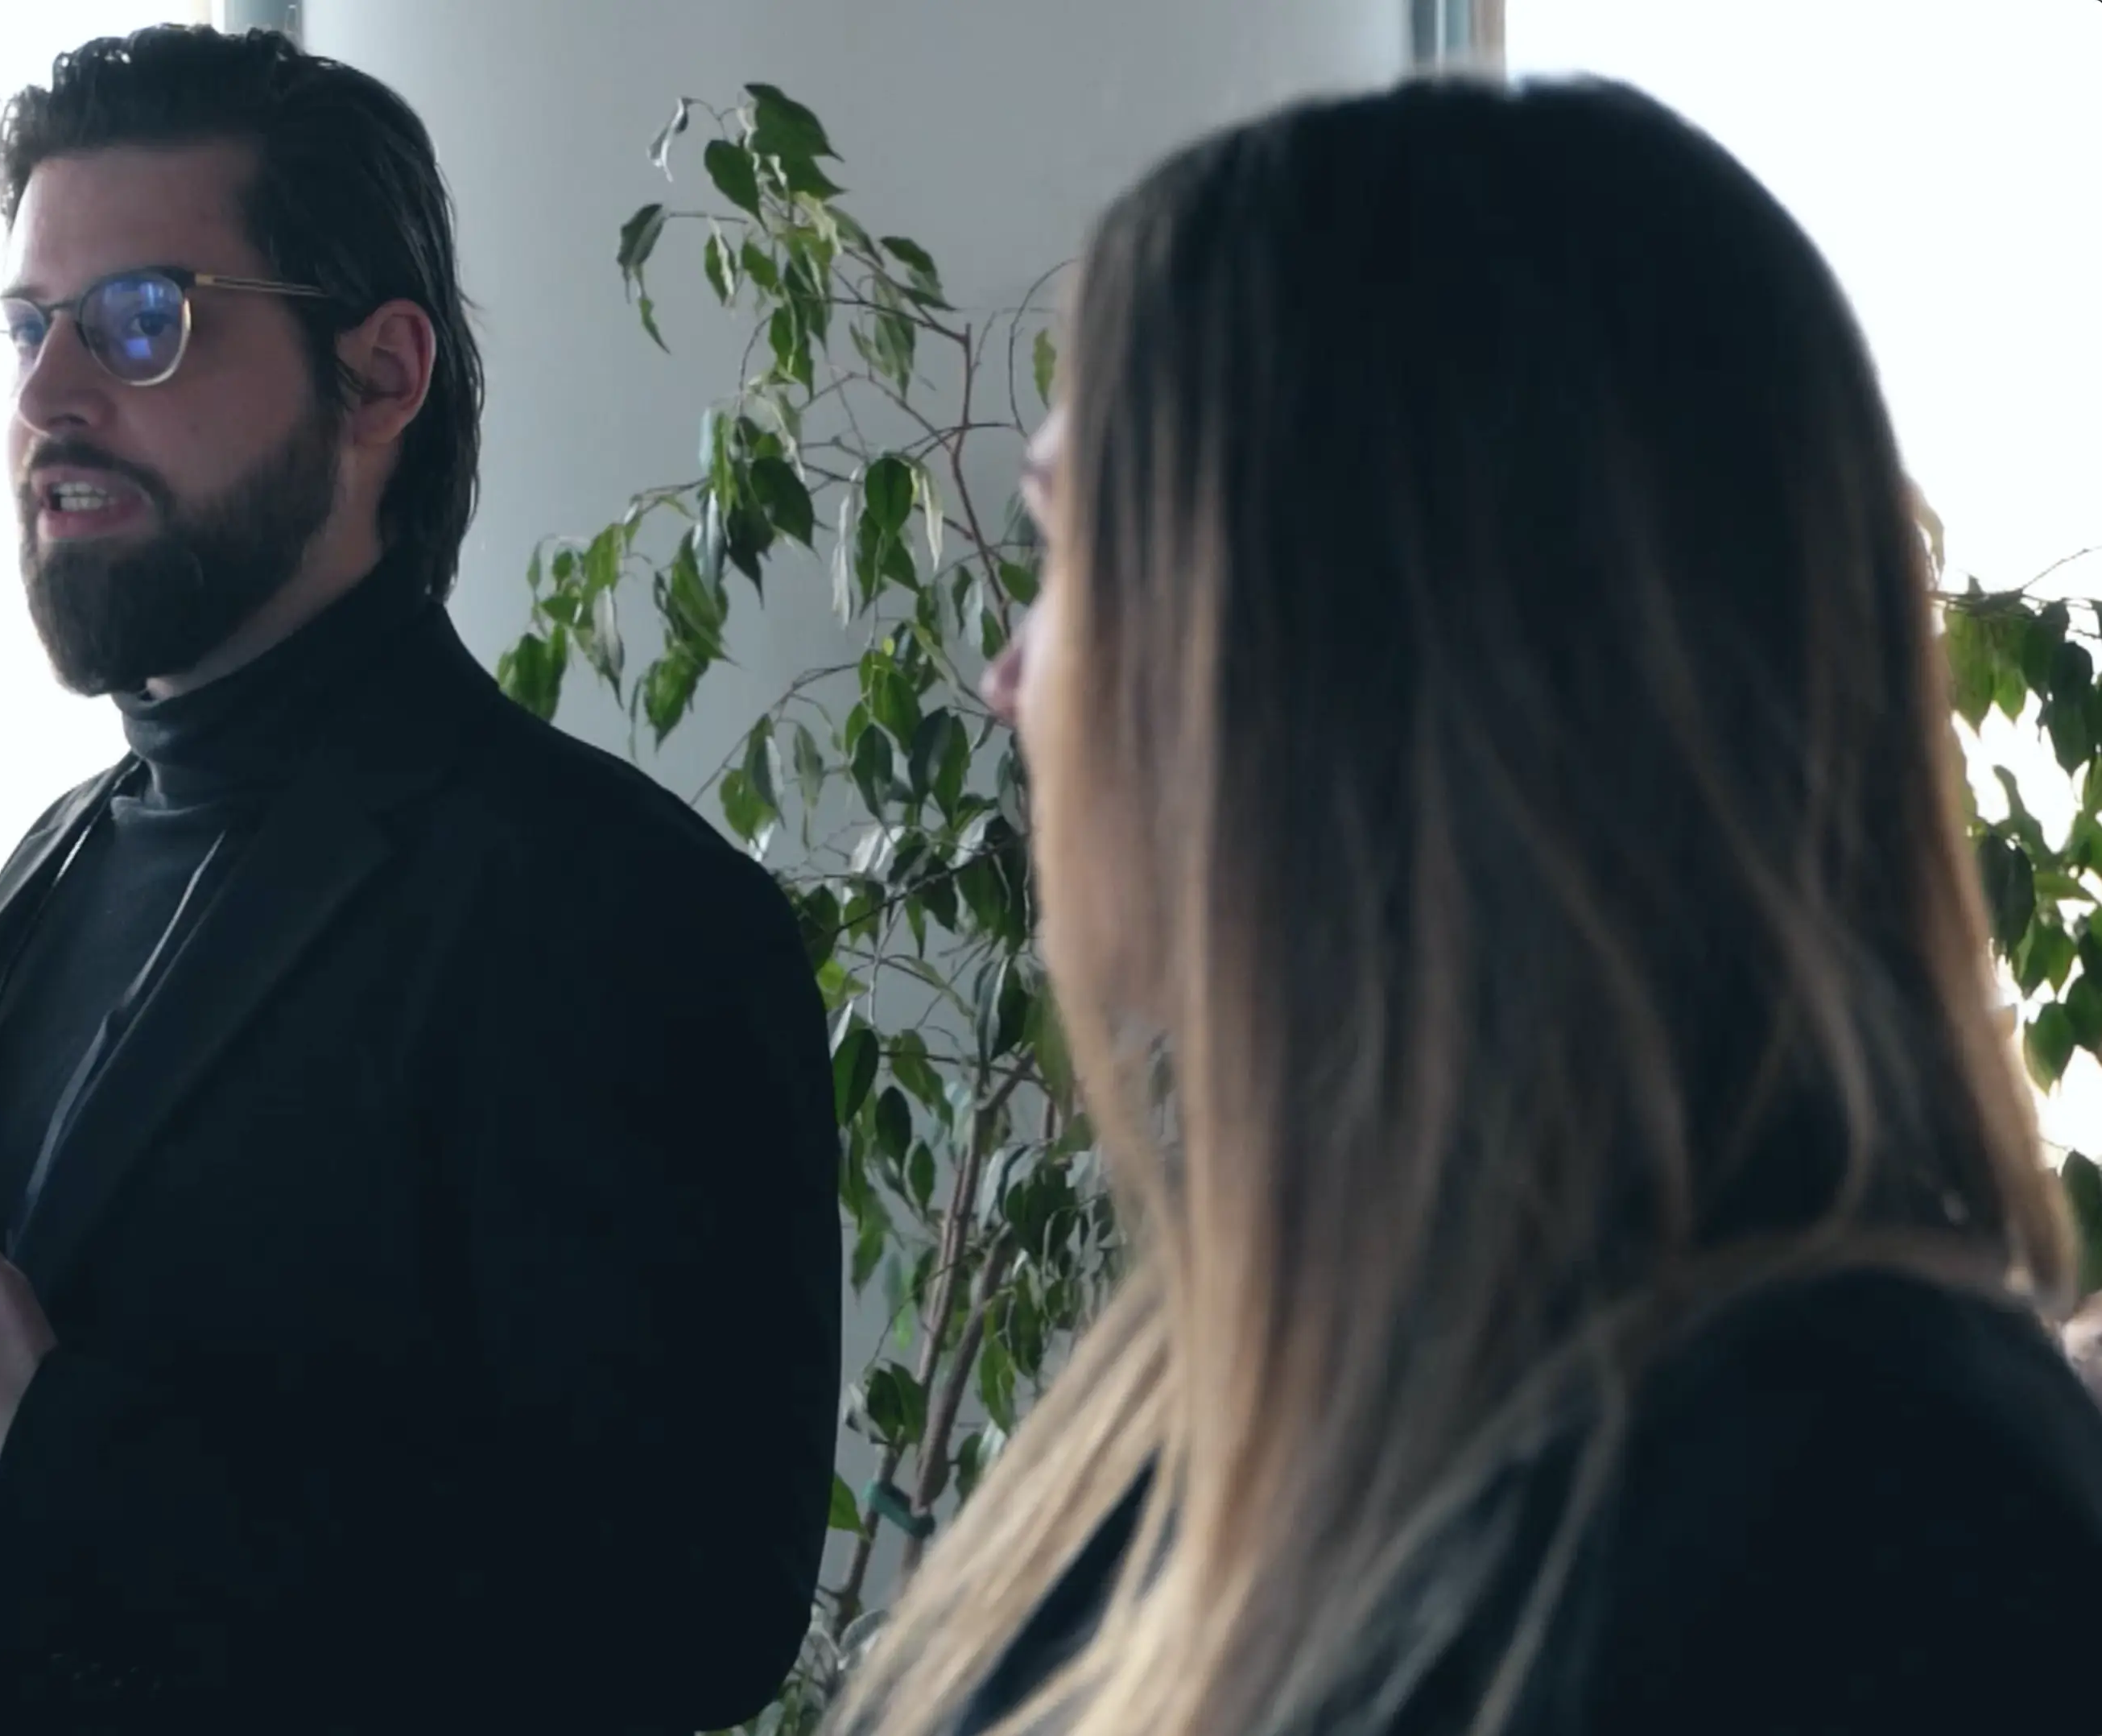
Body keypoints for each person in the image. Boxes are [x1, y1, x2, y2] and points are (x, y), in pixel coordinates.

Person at [0, 27, 843, 1735]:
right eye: (28, 327)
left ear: (378, 377)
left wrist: (48, 1472)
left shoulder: (613, 912)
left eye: (139, 321)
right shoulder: (73, 844)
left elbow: (682, 1611)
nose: (48, 394)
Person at [838, 75, 2102, 1736]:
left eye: (1069, 547)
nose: (1004, 678)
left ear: (1335, 651)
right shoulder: (1252, 1383)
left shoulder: (1885, 1534)